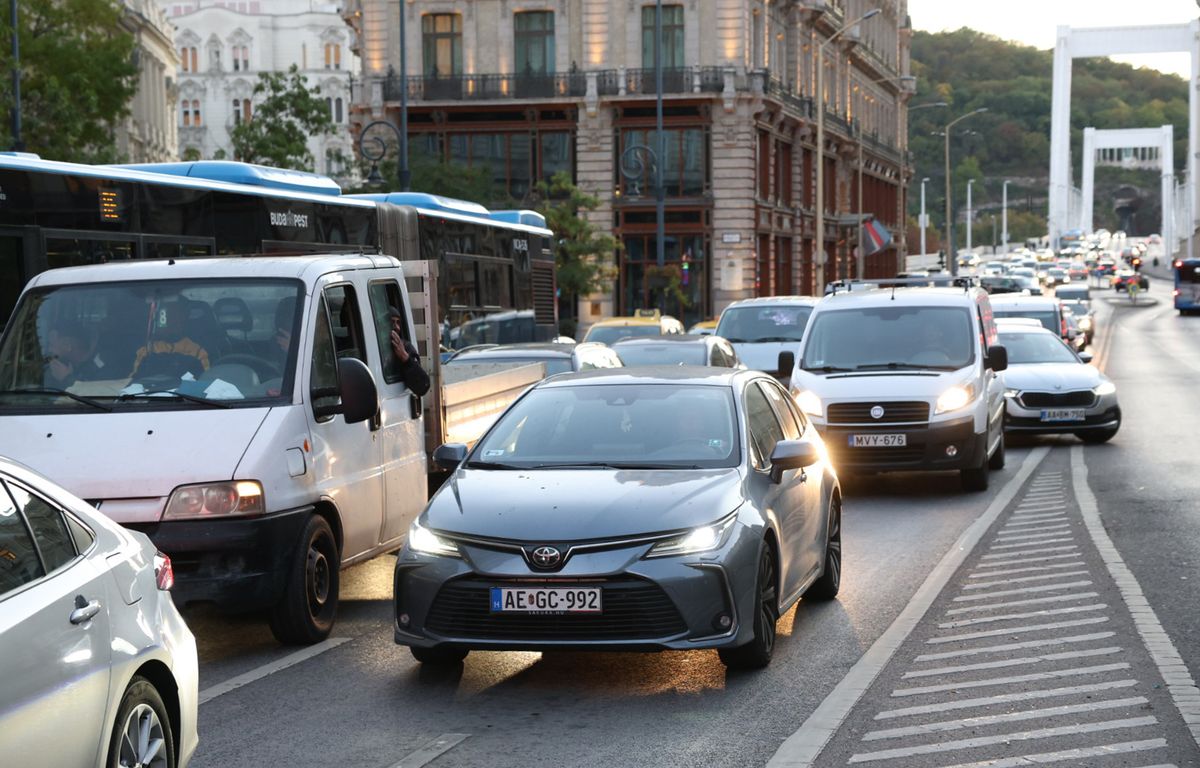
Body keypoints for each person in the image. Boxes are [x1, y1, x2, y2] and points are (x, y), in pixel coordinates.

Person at [131, 300, 210, 377]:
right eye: (166, 317)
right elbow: (134, 381)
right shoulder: (147, 349)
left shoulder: (197, 351)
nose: (172, 321)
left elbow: (206, 380)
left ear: (184, 320)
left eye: (176, 317)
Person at [45, 321, 106, 388]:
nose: (49, 350)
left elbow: (94, 393)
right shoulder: (66, 363)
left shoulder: (101, 368)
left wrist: (66, 378)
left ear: (67, 346)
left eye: (51, 345)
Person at [388, 306, 431, 396]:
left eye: (398, 323)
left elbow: (423, 385)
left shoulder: (406, 347)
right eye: (391, 322)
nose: (396, 327)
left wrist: (405, 358)